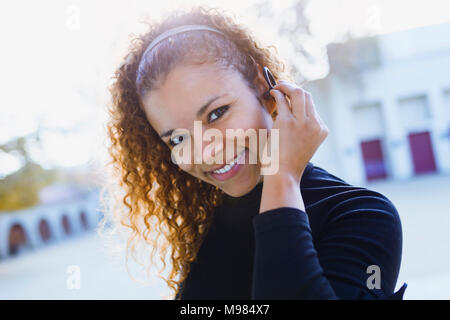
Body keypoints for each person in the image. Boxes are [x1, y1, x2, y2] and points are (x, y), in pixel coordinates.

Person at [102, 5, 407, 300]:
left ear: (266, 90)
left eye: (216, 113)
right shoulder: (205, 224)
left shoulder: (364, 216)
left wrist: (282, 174)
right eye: (177, 139)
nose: (206, 153)